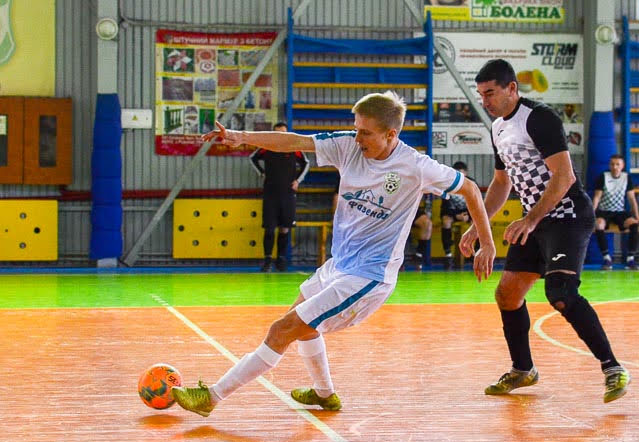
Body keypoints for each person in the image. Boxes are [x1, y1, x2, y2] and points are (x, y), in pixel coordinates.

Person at [170, 91, 496, 417]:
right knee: (304, 322)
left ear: (390, 134)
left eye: (365, 132)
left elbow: (468, 189)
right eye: (356, 128)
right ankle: (324, 394)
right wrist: (239, 137)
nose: (358, 137)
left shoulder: (415, 166)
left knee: (283, 329)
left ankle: (211, 398)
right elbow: (292, 141)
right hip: (339, 264)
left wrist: (485, 240)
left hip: (369, 276)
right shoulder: (347, 145)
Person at [460, 59, 630, 403]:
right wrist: (478, 227)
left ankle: (613, 368)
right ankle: (523, 370)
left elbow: (563, 177)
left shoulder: (539, 117)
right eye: (480, 95)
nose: (485, 101)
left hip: (566, 215)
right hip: (535, 221)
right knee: (507, 295)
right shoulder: (497, 127)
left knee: (561, 292)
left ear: (512, 88)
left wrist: (530, 219)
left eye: (490, 93)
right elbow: (500, 182)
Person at [249, 122, 309, 272]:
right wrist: (262, 173)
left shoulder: (294, 148)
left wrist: (298, 180)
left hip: (288, 194)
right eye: (277, 133)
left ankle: (280, 259)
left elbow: (306, 163)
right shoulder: (266, 146)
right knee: (269, 229)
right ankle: (267, 259)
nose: (280, 136)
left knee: (285, 228)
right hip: (270, 193)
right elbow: (253, 158)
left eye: (283, 133)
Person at [592, 154, 639, 270]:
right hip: (604, 211)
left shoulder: (626, 178)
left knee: (634, 224)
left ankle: (630, 259)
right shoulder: (603, 177)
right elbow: (596, 198)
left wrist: (638, 217)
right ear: (609, 165)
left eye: (617, 164)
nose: (615, 167)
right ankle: (607, 259)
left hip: (619, 212)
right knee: (599, 224)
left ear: (622, 166)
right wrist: (590, 215)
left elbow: (632, 199)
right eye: (612, 164)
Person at [440, 161, 474, 270]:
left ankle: (475, 252)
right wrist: (456, 215)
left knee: (477, 223)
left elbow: (477, 204)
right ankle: (448, 254)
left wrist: (469, 215)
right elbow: (444, 207)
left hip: (468, 213)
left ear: (466, 174)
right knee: (446, 221)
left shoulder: (472, 184)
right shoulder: (448, 185)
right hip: (452, 213)